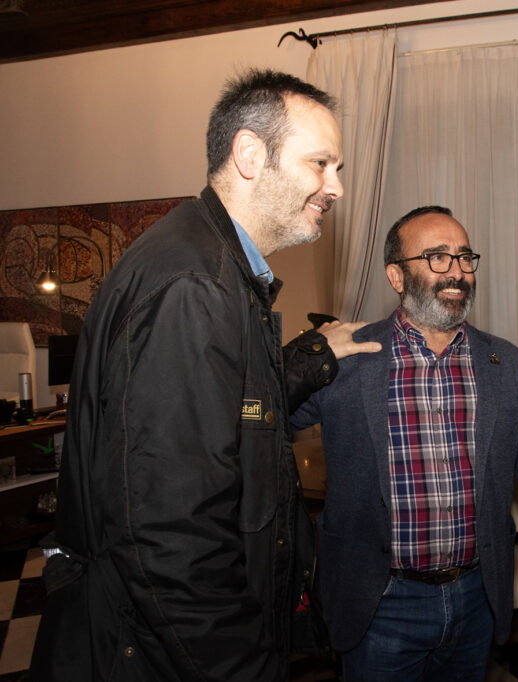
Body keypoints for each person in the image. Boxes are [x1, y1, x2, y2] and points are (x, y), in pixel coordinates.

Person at [31, 69, 381, 681]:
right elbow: (170, 536)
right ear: (250, 155)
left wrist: (308, 359)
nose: (337, 187)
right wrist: (240, 668)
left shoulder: (205, 262)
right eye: (322, 164)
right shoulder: (192, 286)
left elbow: (228, 410)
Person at [291, 205, 518, 681]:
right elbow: (265, 414)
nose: (457, 272)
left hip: (476, 596)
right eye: (438, 258)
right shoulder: (351, 356)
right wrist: (306, 356)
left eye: (465, 258)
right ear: (396, 277)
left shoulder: (505, 363)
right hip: (378, 600)